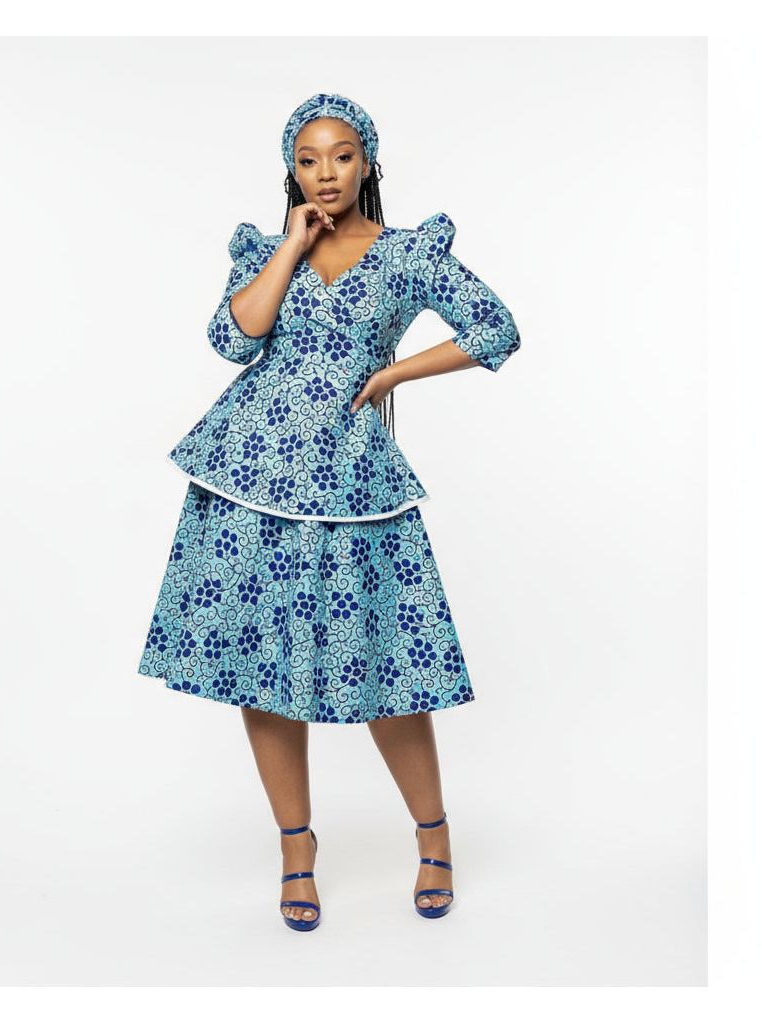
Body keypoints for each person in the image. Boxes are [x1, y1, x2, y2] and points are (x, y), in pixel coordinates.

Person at [137, 92, 521, 930]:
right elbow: (234, 339)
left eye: (341, 155)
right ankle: (296, 850)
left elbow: (495, 328)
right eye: (308, 159)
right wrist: (288, 247)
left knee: (390, 665)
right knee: (261, 671)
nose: (326, 172)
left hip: (352, 488)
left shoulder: (406, 254)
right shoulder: (263, 248)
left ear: (368, 161)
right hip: (249, 478)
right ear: (291, 169)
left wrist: (392, 375)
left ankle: (433, 837)